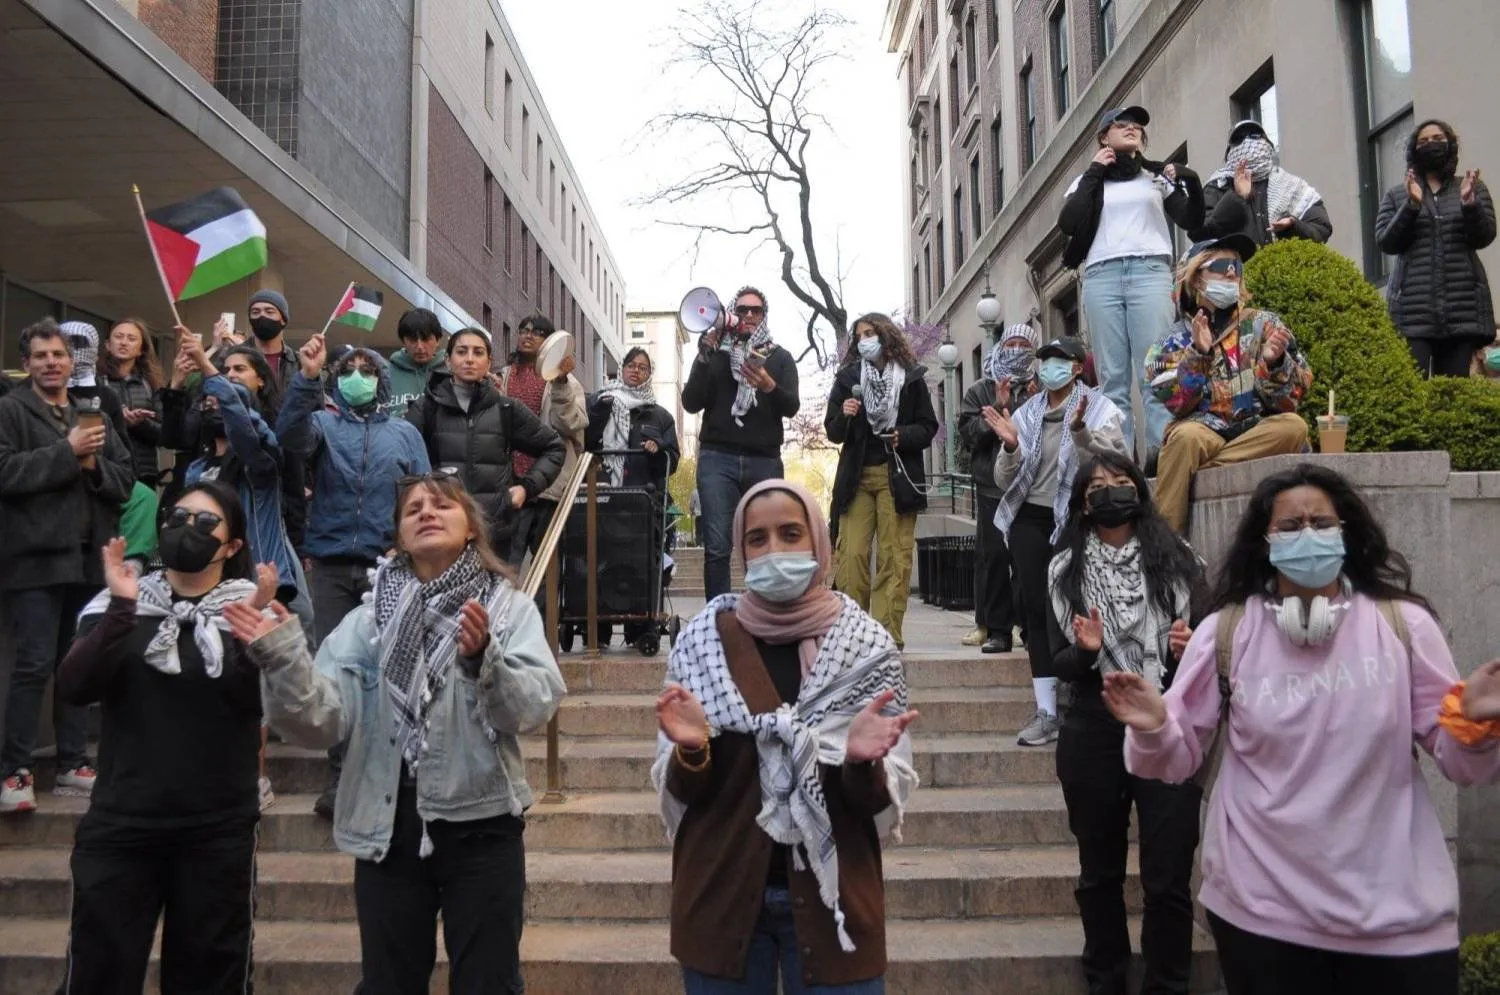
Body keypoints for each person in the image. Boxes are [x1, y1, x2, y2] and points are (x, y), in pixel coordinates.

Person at [1107, 463, 1500, 994]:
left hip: (1398, 920)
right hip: (1263, 915)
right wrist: (1155, 727)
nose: (1307, 534)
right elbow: (1177, 757)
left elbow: (1459, 761)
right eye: (1290, 526)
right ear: (1264, 542)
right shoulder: (1226, 632)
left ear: (1346, 531)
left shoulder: (1404, 626)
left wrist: (1476, 723)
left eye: (1321, 522)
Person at [230, 469, 566, 995]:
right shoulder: (365, 624)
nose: (427, 514)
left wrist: (485, 661)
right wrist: (283, 658)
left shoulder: (507, 610)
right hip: (387, 826)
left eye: (441, 506)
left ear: (472, 529)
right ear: (400, 536)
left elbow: (535, 706)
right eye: (413, 510)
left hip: (480, 822)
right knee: (389, 983)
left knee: (489, 982)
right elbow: (319, 722)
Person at [650, 479, 919, 993]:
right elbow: (683, 796)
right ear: (741, 549)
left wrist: (861, 762)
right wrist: (691, 751)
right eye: (757, 538)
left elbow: (878, 806)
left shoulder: (867, 649)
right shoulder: (702, 642)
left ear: (819, 542)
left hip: (837, 910)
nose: (773, 549)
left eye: (790, 533)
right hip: (720, 902)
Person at [55, 482, 271, 991]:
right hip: (122, 822)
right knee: (97, 973)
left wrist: (255, 636)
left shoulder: (250, 612)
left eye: (204, 523)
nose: (185, 529)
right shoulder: (119, 601)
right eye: (177, 517)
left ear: (233, 546)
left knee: (209, 977)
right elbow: (74, 685)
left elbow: (262, 705)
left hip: (216, 828)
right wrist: (122, 611)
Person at [1047, 451, 1205, 995]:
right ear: (1083, 503)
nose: (1110, 491)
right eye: (1097, 486)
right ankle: (1106, 980)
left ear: (1139, 488)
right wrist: (1088, 652)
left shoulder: (1179, 560)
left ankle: (1167, 983)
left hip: (1165, 722)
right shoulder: (1064, 569)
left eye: (1120, 481)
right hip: (1094, 725)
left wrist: (1188, 650)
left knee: (1168, 879)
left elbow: (1205, 652)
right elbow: (1057, 660)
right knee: (1099, 875)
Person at [278, 332, 431, 819]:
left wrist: (404, 546)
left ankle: (392, 773)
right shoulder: (322, 423)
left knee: (392, 671)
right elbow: (289, 439)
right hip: (330, 567)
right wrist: (305, 380)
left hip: (388, 568)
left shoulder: (405, 433)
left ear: (382, 381)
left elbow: (424, 495)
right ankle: (340, 774)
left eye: (367, 371)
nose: (358, 379)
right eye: (348, 372)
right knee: (336, 676)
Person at [0, 318, 134, 813]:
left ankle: (74, 761)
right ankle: (15, 770)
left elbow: (125, 477)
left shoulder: (91, 411)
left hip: (86, 559)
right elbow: (5, 472)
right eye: (41, 356)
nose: (52, 363)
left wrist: (94, 465)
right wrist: (66, 452)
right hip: (34, 559)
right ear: (26, 364)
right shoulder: (10, 412)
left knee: (77, 663)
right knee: (33, 665)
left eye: (57, 354)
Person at [982, 337, 1127, 747]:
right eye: (1044, 360)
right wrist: (1010, 446)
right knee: (1033, 610)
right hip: (1029, 518)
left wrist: (1080, 433)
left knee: (1068, 606)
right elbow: (1003, 479)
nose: (1049, 367)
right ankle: (1045, 710)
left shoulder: (1098, 409)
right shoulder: (1027, 413)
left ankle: (1079, 695)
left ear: (1078, 367)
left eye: (1058, 360)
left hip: (1075, 517)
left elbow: (1115, 464)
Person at [1059, 105, 1204, 458]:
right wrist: (1096, 169)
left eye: (1136, 125)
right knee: (1113, 380)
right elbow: (1069, 221)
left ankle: (1160, 455)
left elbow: (1193, 220)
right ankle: (1119, 459)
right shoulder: (1086, 182)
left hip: (1149, 272)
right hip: (1101, 276)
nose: (1131, 128)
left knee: (1155, 370)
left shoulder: (1156, 177)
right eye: (1120, 124)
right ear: (1103, 137)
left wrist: (1190, 179)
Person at [1144, 234, 1313, 535]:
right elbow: (1178, 404)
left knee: (1294, 426)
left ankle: (1205, 472)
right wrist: (1198, 354)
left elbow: (1294, 397)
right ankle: (1166, 547)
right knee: (1184, 439)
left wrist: (1274, 364)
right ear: (1196, 279)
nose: (1232, 271)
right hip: (1203, 432)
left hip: (1256, 429)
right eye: (1221, 264)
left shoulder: (1264, 323)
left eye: (1236, 264)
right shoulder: (1170, 341)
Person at [824, 313, 938, 650]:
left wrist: (903, 435)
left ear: (886, 337)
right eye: (858, 336)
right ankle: (854, 636)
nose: (863, 340)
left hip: (896, 478)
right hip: (856, 480)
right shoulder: (847, 379)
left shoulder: (911, 378)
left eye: (870, 333)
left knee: (894, 558)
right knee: (853, 557)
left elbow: (928, 427)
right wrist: (843, 415)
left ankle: (887, 637)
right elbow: (832, 431)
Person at [405, 327, 566, 555]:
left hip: (494, 532)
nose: (470, 359)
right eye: (462, 352)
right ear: (448, 361)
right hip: (439, 531)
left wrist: (526, 488)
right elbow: (400, 461)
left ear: (488, 363)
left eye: (478, 353)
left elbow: (554, 448)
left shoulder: (506, 409)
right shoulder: (426, 408)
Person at [684, 286, 801, 598]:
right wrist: (703, 357)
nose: (749, 315)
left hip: (763, 460)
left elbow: (791, 406)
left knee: (767, 543)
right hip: (716, 459)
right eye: (743, 309)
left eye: (756, 310)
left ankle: (765, 615)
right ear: (733, 313)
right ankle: (718, 621)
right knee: (718, 546)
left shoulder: (779, 357)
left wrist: (769, 385)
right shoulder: (717, 353)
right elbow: (691, 402)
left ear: (764, 315)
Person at [1376, 118, 1496, 378]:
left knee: (1452, 396)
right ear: (1414, 150)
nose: (1431, 145)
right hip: (1412, 313)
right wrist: (1411, 206)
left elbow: (1484, 236)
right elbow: (1386, 242)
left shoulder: (1471, 188)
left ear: (1451, 145)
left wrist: (1470, 204)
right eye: (1424, 141)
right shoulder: (1398, 194)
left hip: (1460, 309)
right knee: (1410, 391)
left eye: (1438, 139)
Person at [958, 324, 1041, 652]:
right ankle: (998, 630)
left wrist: (1031, 404)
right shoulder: (980, 389)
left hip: (1031, 484)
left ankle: (1031, 627)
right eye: (1012, 343)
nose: (1017, 349)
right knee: (993, 557)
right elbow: (967, 435)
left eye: (1024, 345)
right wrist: (998, 407)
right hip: (993, 484)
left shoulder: (1041, 385)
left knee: (1028, 557)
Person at [498, 315, 589, 569]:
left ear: (550, 342)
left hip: (549, 486)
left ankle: (542, 611)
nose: (528, 335)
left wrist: (560, 384)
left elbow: (572, 425)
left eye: (537, 332)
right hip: (510, 484)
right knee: (506, 565)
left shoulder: (568, 382)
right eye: (524, 330)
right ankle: (507, 610)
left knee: (547, 568)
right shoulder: (502, 377)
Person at [1194, 120, 1333, 246]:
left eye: (1254, 136)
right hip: (1234, 272)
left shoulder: (1293, 187)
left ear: (1267, 143)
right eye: (1239, 139)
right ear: (1229, 151)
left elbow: (1321, 229)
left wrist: (1293, 226)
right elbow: (1200, 234)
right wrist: (1236, 196)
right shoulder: (1217, 187)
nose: (1247, 142)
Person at [586, 347, 681, 489]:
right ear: (622, 369)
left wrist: (656, 452)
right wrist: (600, 412)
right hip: (600, 493)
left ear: (649, 374)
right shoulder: (599, 401)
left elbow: (671, 464)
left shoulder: (661, 416)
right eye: (630, 365)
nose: (636, 370)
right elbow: (583, 443)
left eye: (642, 368)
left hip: (645, 497)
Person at [100, 317, 165, 489]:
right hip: (105, 471)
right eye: (118, 337)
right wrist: (116, 418)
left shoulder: (151, 385)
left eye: (131, 338)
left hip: (143, 474)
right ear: (107, 344)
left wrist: (139, 424)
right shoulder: (95, 381)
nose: (123, 343)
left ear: (141, 349)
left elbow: (164, 435)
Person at [388, 307, 448, 418]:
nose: (420, 347)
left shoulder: (454, 372)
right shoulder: (385, 374)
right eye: (412, 340)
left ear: (438, 340)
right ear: (403, 341)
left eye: (426, 339)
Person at [245, 287, 298, 390]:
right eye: (255, 312)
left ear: (283, 319)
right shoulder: (233, 358)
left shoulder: (298, 363)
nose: (262, 316)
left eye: (269, 312)